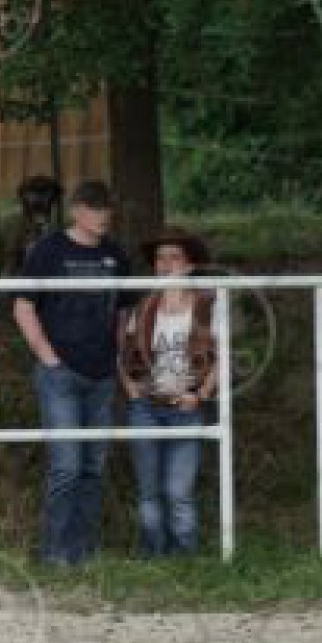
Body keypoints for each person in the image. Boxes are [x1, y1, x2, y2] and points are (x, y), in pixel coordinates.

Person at [13, 180, 134, 566]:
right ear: (76, 211)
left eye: (107, 207)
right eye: (95, 208)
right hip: (60, 375)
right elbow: (23, 305)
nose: (103, 215)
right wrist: (47, 356)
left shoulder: (116, 254)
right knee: (66, 467)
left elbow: (124, 312)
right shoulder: (48, 250)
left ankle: (85, 552)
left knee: (92, 468)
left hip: (102, 374)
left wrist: (119, 357)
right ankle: (55, 554)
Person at [117, 228, 217, 557]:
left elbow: (223, 357)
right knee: (148, 491)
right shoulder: (143, 306)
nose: (166, 264)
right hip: (146, 407)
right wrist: (131, 389)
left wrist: (200, 395)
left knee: (178, 492)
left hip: (186, 407)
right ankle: (152, 555)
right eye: (160, 258)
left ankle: (184, 559)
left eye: (174, 257)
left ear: (190, 264)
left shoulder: (206, 306)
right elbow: (123, 351)